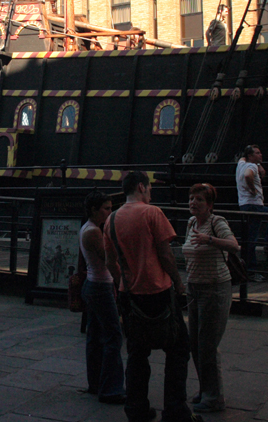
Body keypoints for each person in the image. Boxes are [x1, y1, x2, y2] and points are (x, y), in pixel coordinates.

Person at [103, 171, 191, 422]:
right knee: (178, 349)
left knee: (137, 353)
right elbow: (165, 254)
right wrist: (177, 282)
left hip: (130, 295)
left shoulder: (111, 219)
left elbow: (110, 262)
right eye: (149, 188)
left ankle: (136, 409)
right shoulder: (153, 213)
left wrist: (124, 284)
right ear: (142, 187)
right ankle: (175, 410)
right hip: (158, 292)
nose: (150, 193)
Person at [182, 183, 239, 414]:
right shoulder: (191, 223)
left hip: (215, 289)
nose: (193, 202)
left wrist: (210, 240)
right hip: (194, 288)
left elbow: (234, 246)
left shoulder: (217, 222)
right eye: (191, 198)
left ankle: (214, 397)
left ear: (210, 205)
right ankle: (206, 389)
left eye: (199, 200)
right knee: (195, 345)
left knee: (207, 345)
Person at [79, 190, 125, 405]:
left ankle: (96, 383)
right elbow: (109, 260)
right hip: (100, 286)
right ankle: (111, 388)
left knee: (96, 336)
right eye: (106, 208)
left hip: (95, 285)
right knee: (113, 336)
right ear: (94, 210)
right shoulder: (93, 232)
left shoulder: (91, 229)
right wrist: (121, 282)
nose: (110, 212)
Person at [235, 144, 268, 281]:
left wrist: (258, 164)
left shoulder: (241, 164)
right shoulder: (251, 167)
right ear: (251, 156)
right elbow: (248, 176)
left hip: (244, 205)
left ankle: (247, 269)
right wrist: (253, 190)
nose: (260, 155)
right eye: (257, 153)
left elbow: (242, 158)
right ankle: (267, 245)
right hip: (254, 205)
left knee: (248, 238)